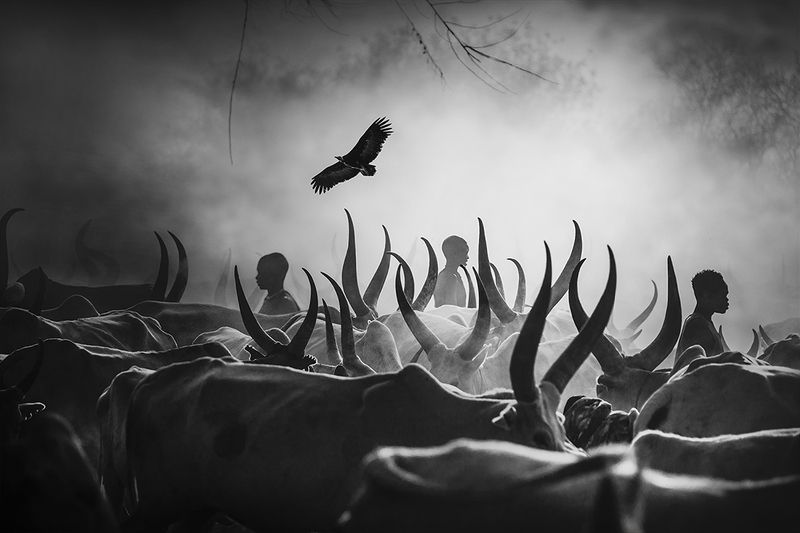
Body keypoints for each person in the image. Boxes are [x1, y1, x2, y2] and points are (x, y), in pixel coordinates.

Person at [676, 269, 729, 356]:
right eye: (723, 295)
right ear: (706, 296)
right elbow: (702, 363)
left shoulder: (703, 322)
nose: (726, 299)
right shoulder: (698, 325)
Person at [433, 235, 468, 308]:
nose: (467, 257)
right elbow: (451, 309)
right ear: (454, 254)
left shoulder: (452, 275)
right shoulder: (450, 277)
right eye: (465, 252)